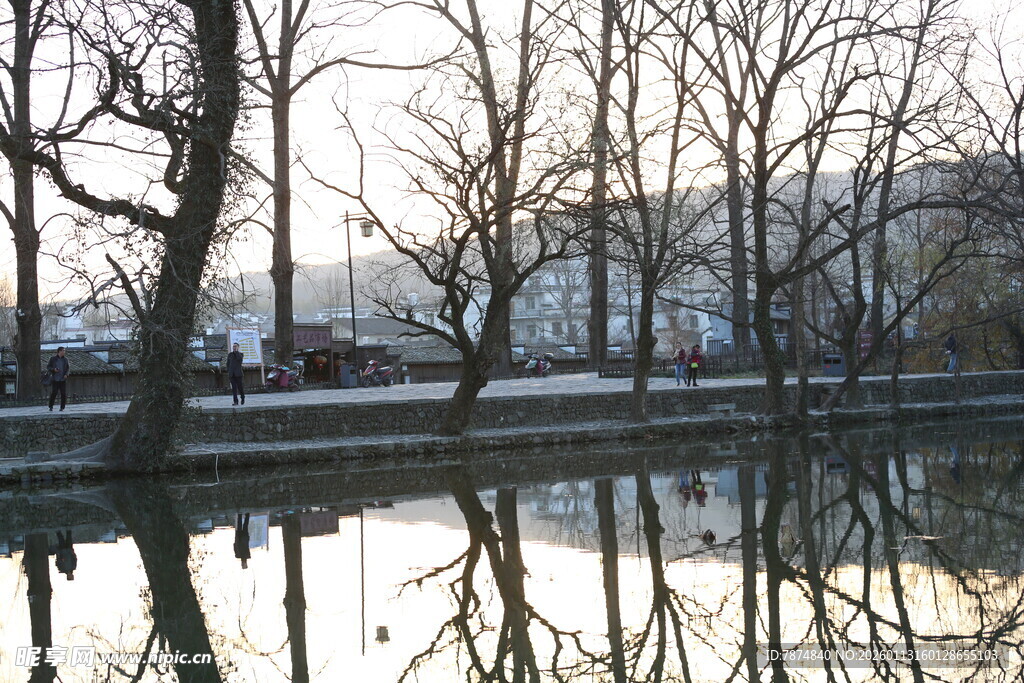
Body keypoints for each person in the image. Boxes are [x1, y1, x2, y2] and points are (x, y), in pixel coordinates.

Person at [47, 347, 71, 412]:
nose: (64, 352)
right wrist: (53, 369)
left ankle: (62, 407)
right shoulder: (53, 359)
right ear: (59, 351)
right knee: (54, 393)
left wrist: (66, 374)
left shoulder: (65, 360)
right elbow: (48, 367)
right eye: (63, 351)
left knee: (63, 393)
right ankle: (51, 406)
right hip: (55, 379)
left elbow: (68, 368)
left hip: (63, 379)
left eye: (64, 351)